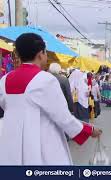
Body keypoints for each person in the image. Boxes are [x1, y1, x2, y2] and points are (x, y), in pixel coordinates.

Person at [0, 33, 102, 165]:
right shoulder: (46, 80)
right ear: (41, 54)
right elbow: (62, 116)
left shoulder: (4, 80)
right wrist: (89, 130)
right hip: (41, 143)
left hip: (11, 142)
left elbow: (4, 107)